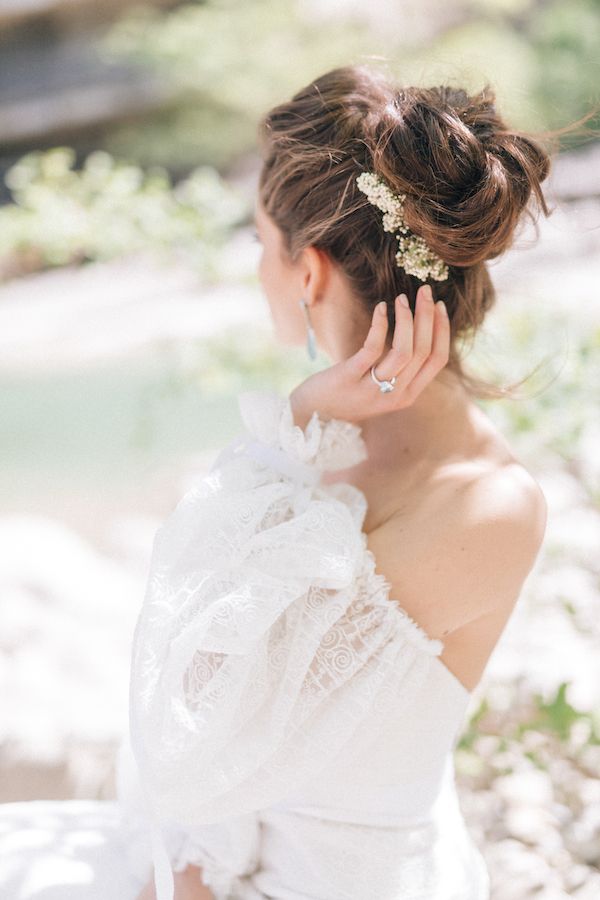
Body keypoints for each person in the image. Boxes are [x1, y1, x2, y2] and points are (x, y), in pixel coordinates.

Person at [0, 63, 551, 900]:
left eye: (262, 243)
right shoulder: (315, 446)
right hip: (211, 860)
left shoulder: (486, 504)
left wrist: (278, 446)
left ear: (309, 273)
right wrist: (291, 428)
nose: (262, 268)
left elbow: (202, 734)